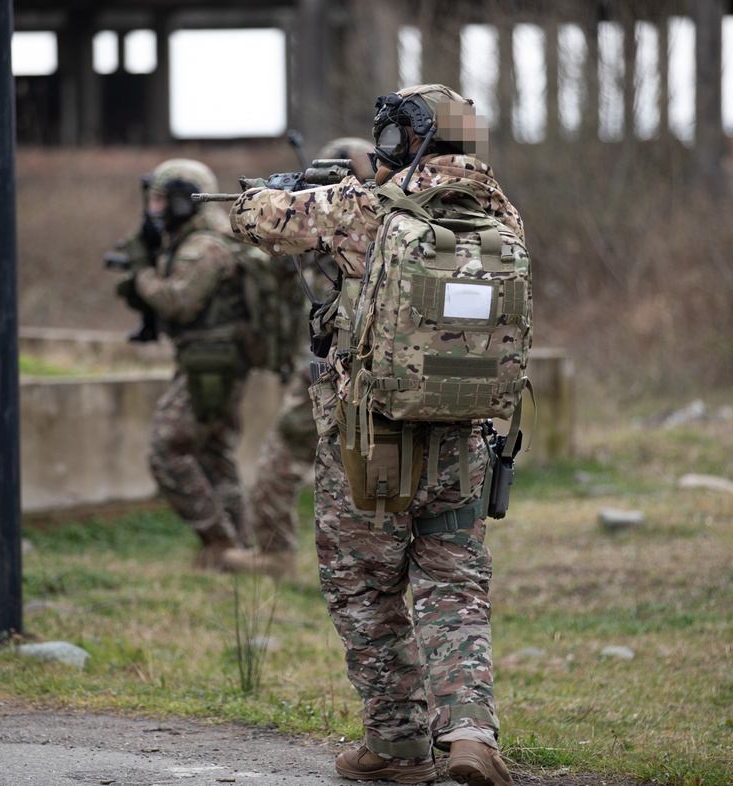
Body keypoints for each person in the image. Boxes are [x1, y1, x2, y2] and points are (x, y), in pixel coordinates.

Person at [228, 85, 520, 786]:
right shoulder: (502, 214)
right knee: (454, 584)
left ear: (401, 140)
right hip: (465, 438)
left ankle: (396, 746)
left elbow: (253, 221)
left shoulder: (364, 207)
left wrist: (282, 192)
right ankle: (471, 736)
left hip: (373, 441)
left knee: (365, 586)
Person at [222, 137, 375, 581]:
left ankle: (274, 553)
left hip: (336, 366)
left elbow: (264, 232)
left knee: (284, 453)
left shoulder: (345, 217)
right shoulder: (393, 216)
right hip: (374, 370)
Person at [115, 158, 253, 569]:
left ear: (182, 201)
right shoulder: (195, 238)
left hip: (215, 362)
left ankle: (219, 541)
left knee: (166, 447)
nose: (154, 208)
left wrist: (141, 272)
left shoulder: (204, 245)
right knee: (212, 452)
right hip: (211, 360)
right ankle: (237, 549)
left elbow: (178, 302)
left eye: (162, 199)